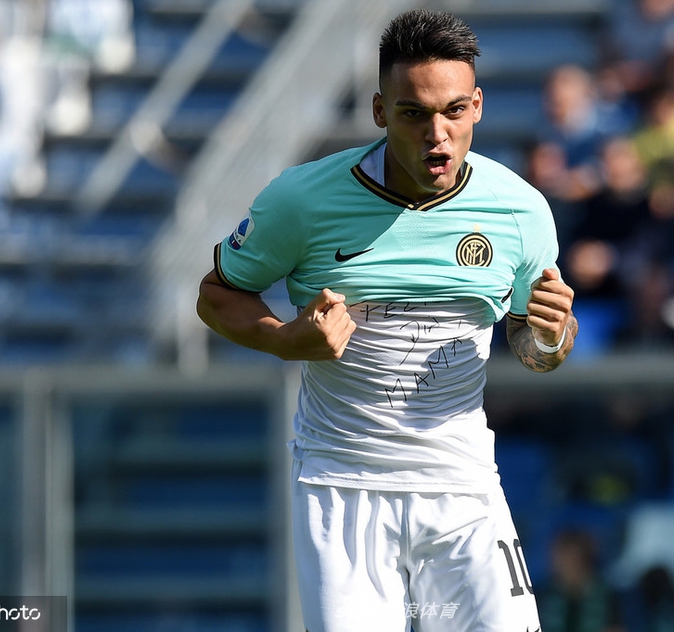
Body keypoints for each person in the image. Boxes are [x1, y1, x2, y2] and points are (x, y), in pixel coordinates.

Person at [196, 9, 578, 632]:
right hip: (343, 485)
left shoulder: (520, 212)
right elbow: (217, 295)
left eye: (454, 111)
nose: (437, 134)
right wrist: (287, 340)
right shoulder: (302, 200)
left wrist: (551, 335)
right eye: (413, 114)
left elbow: (536, 350)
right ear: (379, 111)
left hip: (463, 489)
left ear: (478, 106)